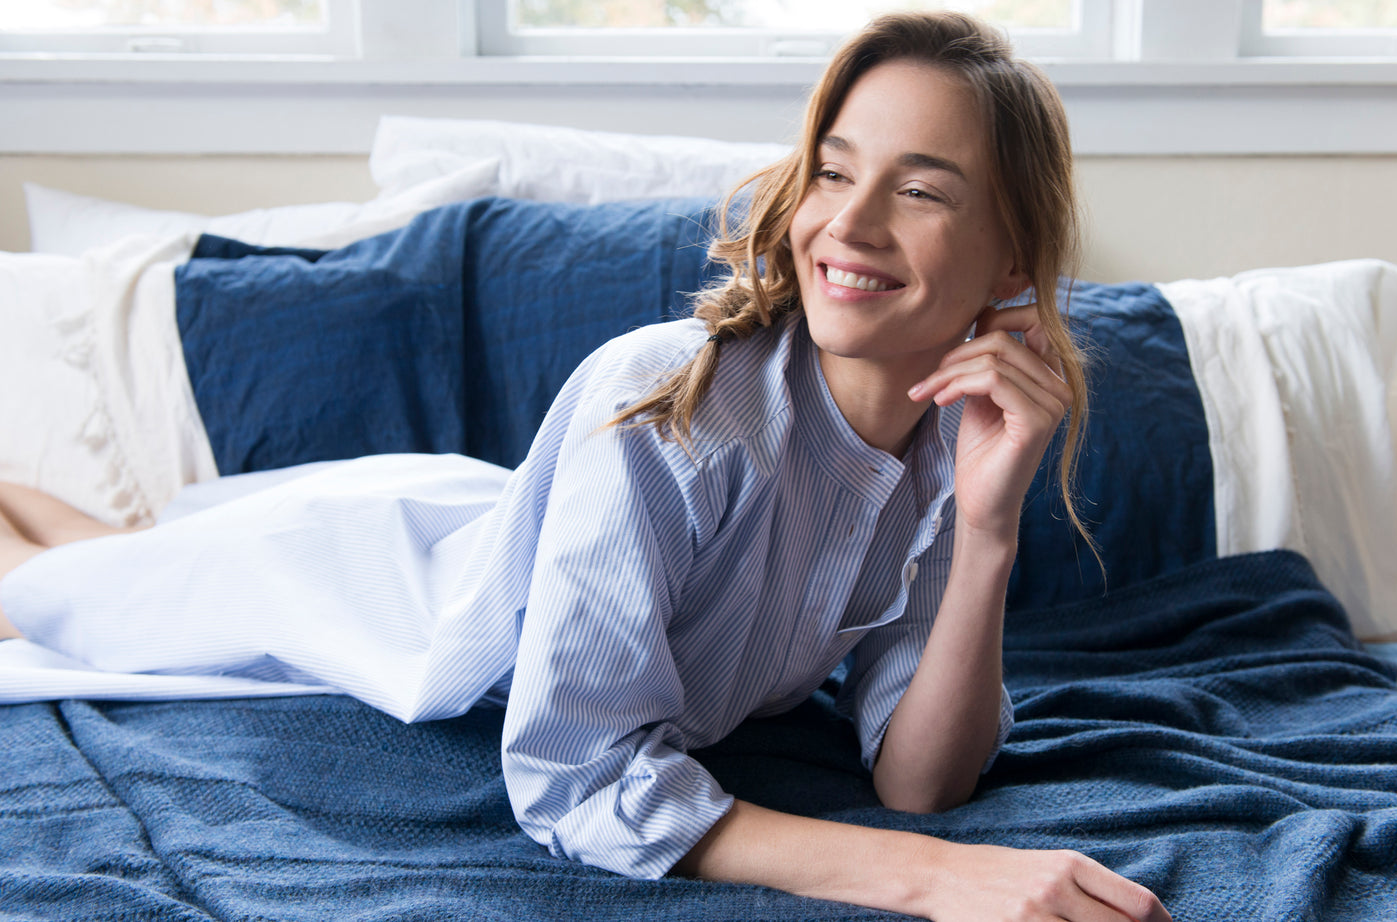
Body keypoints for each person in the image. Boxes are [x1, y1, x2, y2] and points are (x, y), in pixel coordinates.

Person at [0, 11, 1171, 922]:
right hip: (374, 582)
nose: (848, 223)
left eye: (916, 190)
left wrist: (986, 529)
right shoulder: (667, 406)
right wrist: (924, 881)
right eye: (830, 169)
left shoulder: (939, 455)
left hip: (472, 525)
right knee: (47, 595)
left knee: (116, 552)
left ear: (1010, 249)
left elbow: (920, 780)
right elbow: (575, 780)